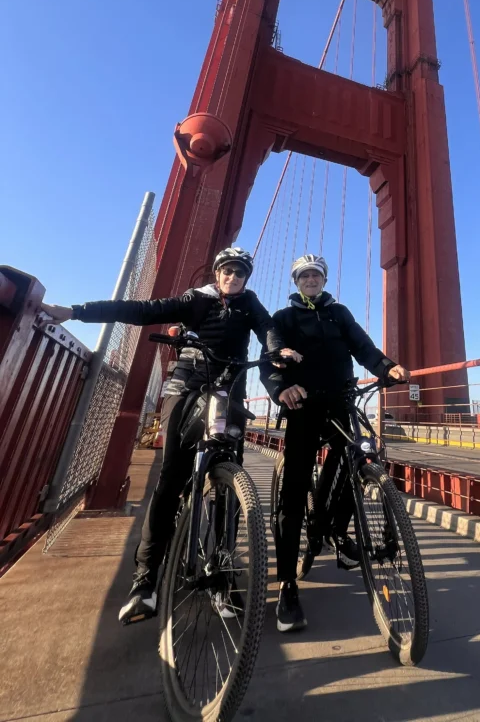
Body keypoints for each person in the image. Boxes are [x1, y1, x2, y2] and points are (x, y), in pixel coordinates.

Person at [42, 246, 301, 625]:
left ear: (246, 278)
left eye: (240, 273)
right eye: (227, 271)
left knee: (231, 486)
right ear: (217, 273)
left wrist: (278, 349)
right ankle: (145, 581)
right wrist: (76, 312)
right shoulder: (196, 299)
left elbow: (267, 328)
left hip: (229, 390)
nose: (233, 277)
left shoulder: (250, 303)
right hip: (188, 386)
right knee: (171, 477)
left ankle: (221, 575)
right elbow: (143, 311)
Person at [262, 253, 409, 634]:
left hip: (341, 400)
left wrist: (386, 367)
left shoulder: (339, 313)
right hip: (303, 404)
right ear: (296, 282)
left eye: (316, 275)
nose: (311, 280)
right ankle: (287, 585)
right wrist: (281, 389)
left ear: (324, 280)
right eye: (304, 276)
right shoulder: (283, 318)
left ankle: (335, 530)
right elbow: (270, 358)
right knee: (294, 492)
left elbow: (363, 346)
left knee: (355, 457)